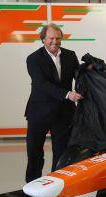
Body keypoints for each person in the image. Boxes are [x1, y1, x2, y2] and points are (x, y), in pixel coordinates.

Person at [25, 23, 83, 183]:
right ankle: (32, 186)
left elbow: (78, 76)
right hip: (39, 112)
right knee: (35, 152)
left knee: (62, 151)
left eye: (58, 38)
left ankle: (57, 183)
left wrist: (89, 70)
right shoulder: (33, 59)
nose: (55, 41)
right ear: (43, 39)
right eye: (51, 38)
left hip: (63, 113)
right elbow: (41, 84)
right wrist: (67, 94)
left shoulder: (70, 55)